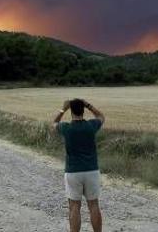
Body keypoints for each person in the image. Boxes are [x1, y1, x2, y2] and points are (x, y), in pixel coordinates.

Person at [52, 98, 105, 232]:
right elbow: (101, 116)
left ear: (71, 111)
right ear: (83, 111)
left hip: (73, 171)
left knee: (74, 206)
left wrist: (63, 109)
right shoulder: (91, 126)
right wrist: (88, 105)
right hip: (91, 170)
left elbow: (54, 123)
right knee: (94, 205)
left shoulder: (66, 128)